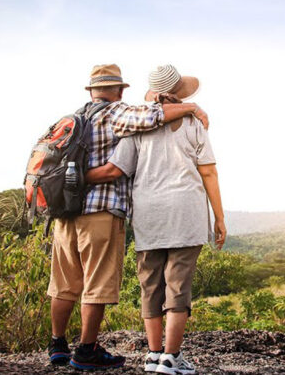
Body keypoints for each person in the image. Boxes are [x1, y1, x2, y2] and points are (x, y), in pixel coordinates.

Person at [46, 63, 210, 371]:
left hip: (65, 211)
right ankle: (86, 350)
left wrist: (69, 181)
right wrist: (193, 108)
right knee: (96, 283)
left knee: (64, 283)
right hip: (99, 211)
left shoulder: (75, 117)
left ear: (91, 90)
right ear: (120, 90)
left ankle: (57, 345)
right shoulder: (116, 114)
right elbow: (152, 118)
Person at [86, 64, 227, 375]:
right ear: (181, 93)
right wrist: (219, 217)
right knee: (178, 285)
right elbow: (208, 172)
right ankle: (172, 358)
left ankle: (152, 356)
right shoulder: (194, 123)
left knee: (150, 285)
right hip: (186, 211)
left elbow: (117, 169)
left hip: (148, 213)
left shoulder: (138, 127)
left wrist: (73, 180)